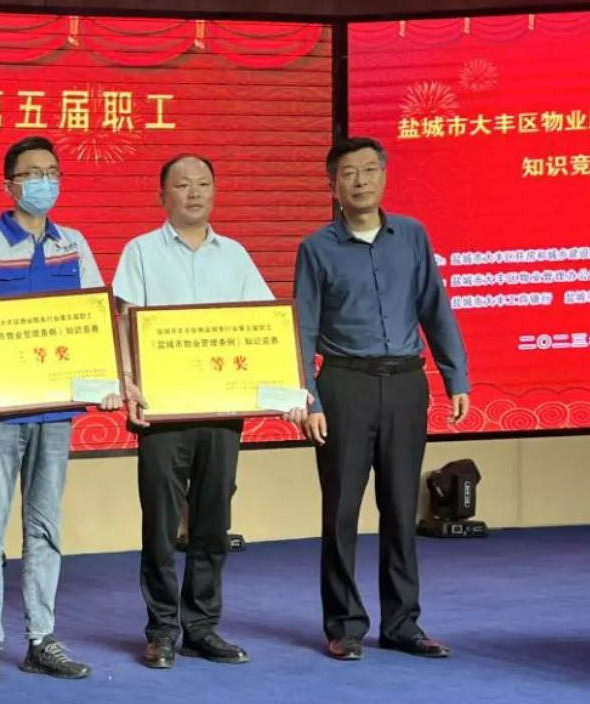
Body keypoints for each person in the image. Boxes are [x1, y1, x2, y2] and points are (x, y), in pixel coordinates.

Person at [0, 135, 120, 686]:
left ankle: (41, 639)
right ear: (10, 185)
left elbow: (93, 320)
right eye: (32, 174)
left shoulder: (74, 244)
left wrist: (106, 383)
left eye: (52, 172)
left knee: (45, 529)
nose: (44, 182)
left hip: (55, 413)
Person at [114, 154, 297, 669]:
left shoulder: (234, 255)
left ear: (215, 191)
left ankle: (201, 626)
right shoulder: (141, 251)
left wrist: (284, 390)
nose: (193, 193)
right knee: (160, 525)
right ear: (162, 196)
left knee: (213, 523)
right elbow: (124, 321)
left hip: (221, 411)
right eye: (182, 185)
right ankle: (162, 629)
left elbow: (263, 328)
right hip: (161, 413)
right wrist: (127, 383)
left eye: (203, 184)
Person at [294, 136, 470, 660]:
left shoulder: (412, 236)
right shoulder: (316, 248)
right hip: (343, 384)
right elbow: (302, 328)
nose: (361, 181)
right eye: (349, 173)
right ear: (332, 185)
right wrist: (309, 398)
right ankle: (344, 625)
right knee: (341, 511)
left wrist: (455, 376)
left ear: (384, 176)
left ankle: (402, 624)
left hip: (405, 384)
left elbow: (435, 306)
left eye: (370, 170)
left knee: (399, 506)